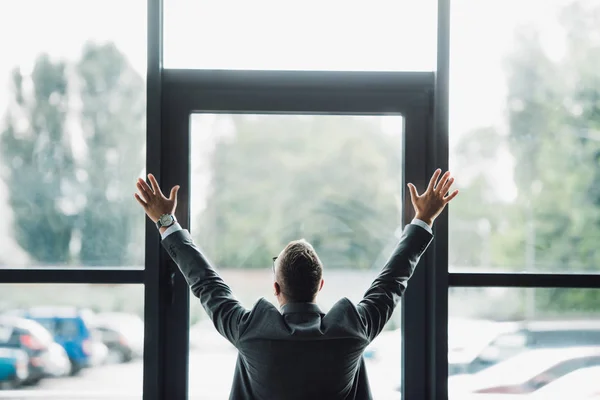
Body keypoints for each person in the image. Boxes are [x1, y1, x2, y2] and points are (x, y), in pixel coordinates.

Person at [134, 169, 458, 400]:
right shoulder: (352, 331)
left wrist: (166, 221)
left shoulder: (250, 332)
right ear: (320, 285)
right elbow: (393, 279)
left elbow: (204, 281)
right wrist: (424, 218)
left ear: (276, 289)